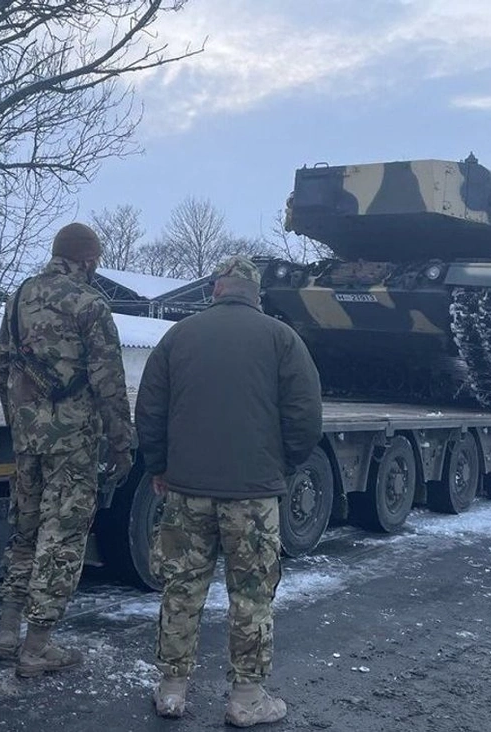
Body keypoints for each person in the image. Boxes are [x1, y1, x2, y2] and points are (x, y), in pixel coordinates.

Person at [135, 255, 323, 726]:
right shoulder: (283, 339)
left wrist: (159, 465)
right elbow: (305, 415)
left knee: (181, 588)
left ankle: (172, 690)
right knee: (252, 595)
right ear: (255, 295)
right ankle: (246, 699)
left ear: (217, 290)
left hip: (185, 491)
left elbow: (150, 408)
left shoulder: (179, 335)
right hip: (254, 497)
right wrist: (283, 465)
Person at [0, 223, 135, 678]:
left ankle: (7, 632)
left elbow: (2, 366)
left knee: (26, 531)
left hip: (28, 436)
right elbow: (109, 380)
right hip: (72, 442)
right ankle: (37, 647)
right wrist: (121, 443)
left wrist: (15, 422)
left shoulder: (20, 296)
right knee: (63, 537)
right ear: (88, 260)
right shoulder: (91, 304)